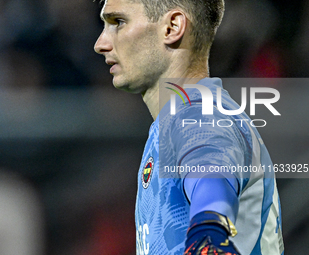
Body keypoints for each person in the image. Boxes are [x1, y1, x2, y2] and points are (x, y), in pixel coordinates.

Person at [94, 0, 284, 254]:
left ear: (172, 27)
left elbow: (210, 175)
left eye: (118, 22)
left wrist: (208, 229)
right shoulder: (180, 120)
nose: (100, 44)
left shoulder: (198, 116)